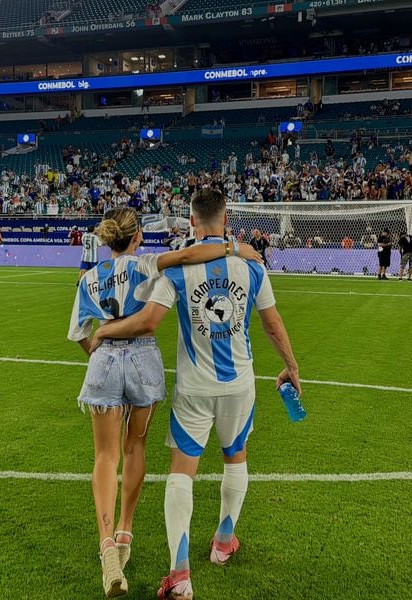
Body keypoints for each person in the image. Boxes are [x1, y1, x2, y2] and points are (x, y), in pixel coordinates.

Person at [90, 189, 301, 600]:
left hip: (194, 387)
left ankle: (180, 574)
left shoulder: (174, 269)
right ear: (225, 220)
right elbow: (273, 324)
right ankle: (223, 542)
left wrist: (104, 330)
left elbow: (149, 321)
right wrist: (291, 367)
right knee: (235, 456)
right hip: (239, 384)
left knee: (181, 472)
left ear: (190, 220)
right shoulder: (251, 264)